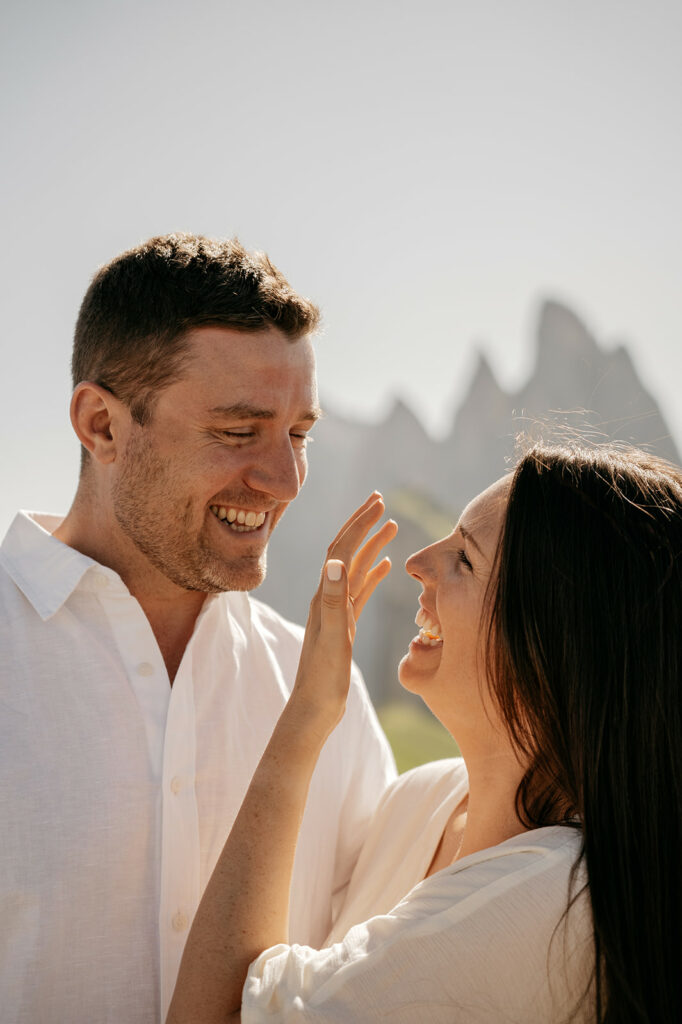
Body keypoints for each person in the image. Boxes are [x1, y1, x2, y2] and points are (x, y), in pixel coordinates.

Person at [0, 233, 395, 1023]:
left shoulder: (321, 683)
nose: (284, 480)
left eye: (299, 434)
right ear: (101, 425)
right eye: (237, 431)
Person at [167, 443, 682, 1023]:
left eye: (464, 558)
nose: (418, 562)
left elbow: (211, 1013)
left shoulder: (549, 905)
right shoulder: (419, 801)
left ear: (554, 644)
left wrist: (306, 717)